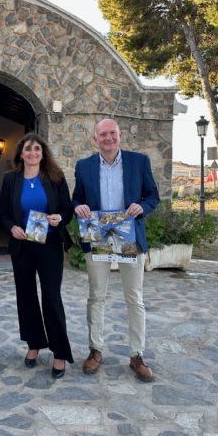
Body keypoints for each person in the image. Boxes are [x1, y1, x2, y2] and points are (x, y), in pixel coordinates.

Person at [72, 118, 160, 382]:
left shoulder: (139, 162)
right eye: (103, 135)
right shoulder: (84, 166)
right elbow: (77, 198)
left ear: (120, 135)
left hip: (128, 236)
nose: (108, 138)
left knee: (134, 298)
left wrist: (142, 207)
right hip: (98, 237)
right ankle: (95, 349)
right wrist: (78, 207)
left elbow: (152, 196)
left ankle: (137, 354)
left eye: (112, 133)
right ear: (95, 139)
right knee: (96, 296)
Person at [0, 133, 74, 379]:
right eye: (28, 149)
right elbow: (3, 213)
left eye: (37, 149)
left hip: (49, 245)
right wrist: (12, 227)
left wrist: (59, 218)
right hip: (22, 246)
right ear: (21, 153)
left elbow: (67, 209)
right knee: (26, 296)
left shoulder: (55, 177)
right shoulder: (10, 179)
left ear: (43, 153)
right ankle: (34, 343)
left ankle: (60, 352)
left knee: (51, 297)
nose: (32, 153)